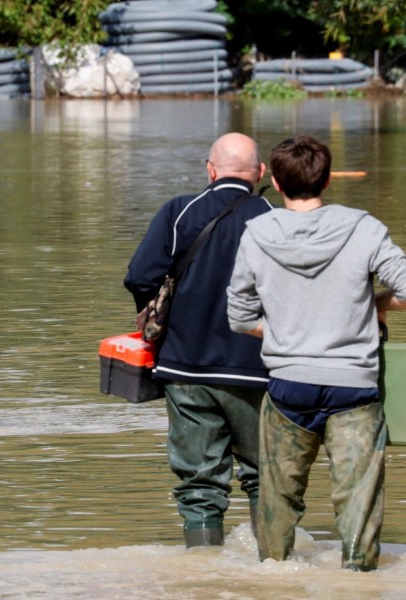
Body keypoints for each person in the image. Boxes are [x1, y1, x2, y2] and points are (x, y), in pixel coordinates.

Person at [226, 135, 406, 571]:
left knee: (278, 496)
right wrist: (373, 306)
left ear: (275, 182)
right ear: (328, 180)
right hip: (353, 387)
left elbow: (239, 318)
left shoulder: (256, 234)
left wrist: (283, 334)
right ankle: (358, 579)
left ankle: (272, 574)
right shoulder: (364, 228)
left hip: (288, 387)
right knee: (359, 501)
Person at [124, 132, 273, 548]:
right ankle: (276, 566)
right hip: (257, 370)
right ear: (260, 173)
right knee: (266, 476)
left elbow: (139, 276)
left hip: (185, 368)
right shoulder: (274, 218)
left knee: (199, 485)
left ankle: (202, 570)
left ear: (210, 170)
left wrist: (163, 315)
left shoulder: (180, 211)